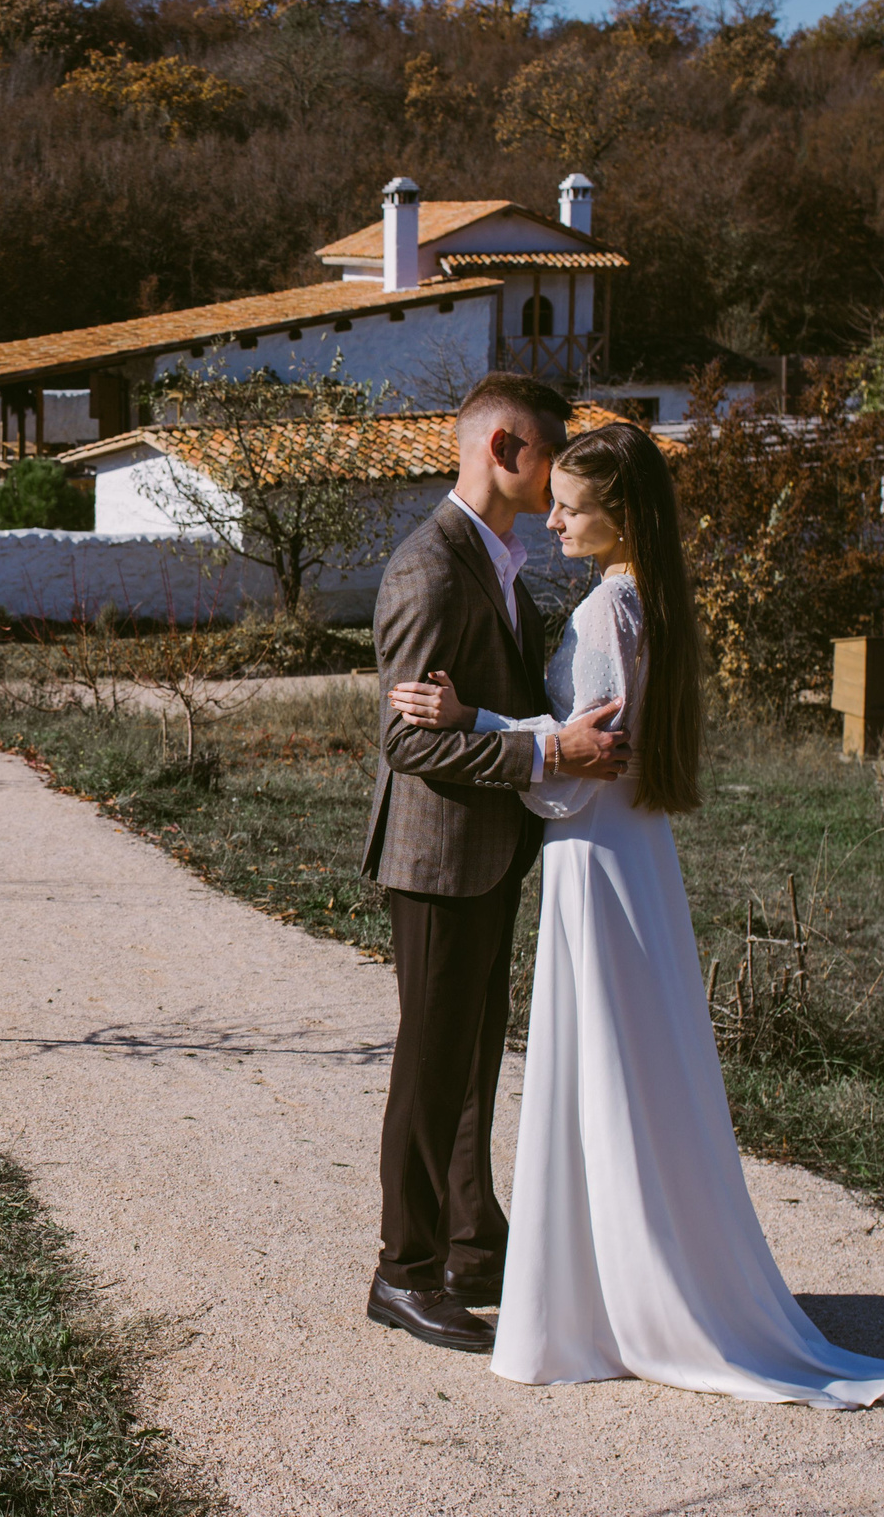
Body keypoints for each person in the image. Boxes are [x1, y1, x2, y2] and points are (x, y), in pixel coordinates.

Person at [388, 419, 884, 1409]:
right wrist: (530, 737)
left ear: (619, 518)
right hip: (637, 855)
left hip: (593, 857)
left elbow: (576, 773)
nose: (554, 520)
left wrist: (476, 724)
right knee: (636, 1066)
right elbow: (600, 752)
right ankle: (617, 1272)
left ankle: (594, 1298)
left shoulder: (600, 617)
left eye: (575, 509)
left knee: (603, 1067)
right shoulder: (649, 605)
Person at [358, 375, 630, 1354]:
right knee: (432, 1066)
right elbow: (407, 746)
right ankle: (405, 1271)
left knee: (473, 1057)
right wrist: (546, 753)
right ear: (508, 448)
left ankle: (473, 1242)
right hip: (434, 858)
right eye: (553, 453)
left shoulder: (497, 556)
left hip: (486, 851)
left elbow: (479, 703)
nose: (560, 478)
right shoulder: (428, 569)